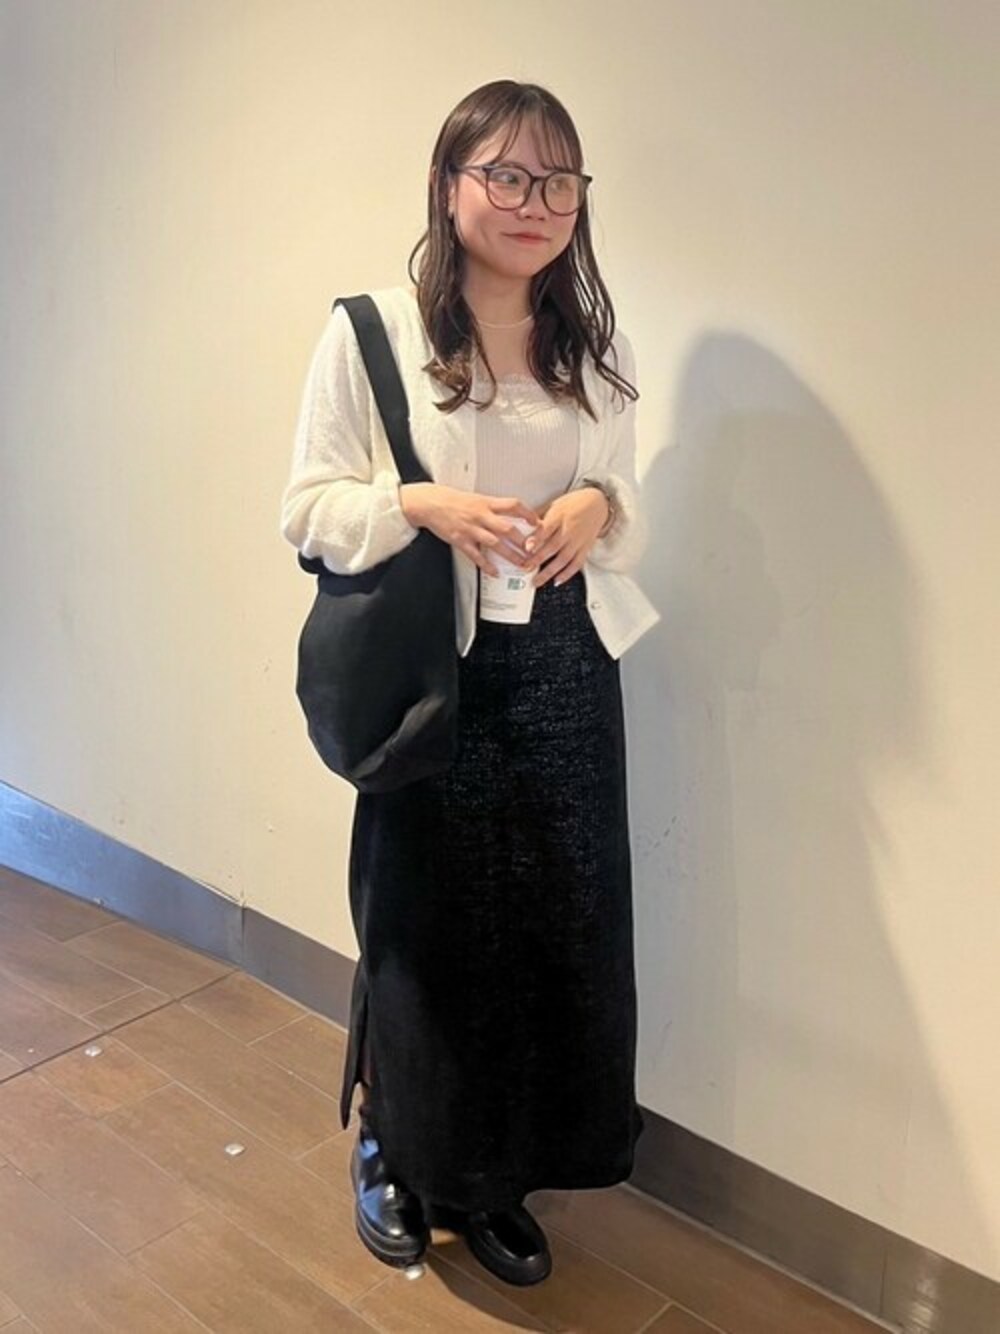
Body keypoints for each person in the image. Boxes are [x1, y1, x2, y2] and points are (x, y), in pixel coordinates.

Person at [280, 79, 660, 1288]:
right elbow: (307, 510)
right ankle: (397, 1149)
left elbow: (627, 508)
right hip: (432, 671)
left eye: (558, 180)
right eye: (506, 174)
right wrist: (419, 504)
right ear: (449, 187)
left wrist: (600, 503)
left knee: (551, 926)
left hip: (567, 668)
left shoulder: (595, 347)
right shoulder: (373, 332)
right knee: (421, 924)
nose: (534, 201)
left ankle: (496, 1172)